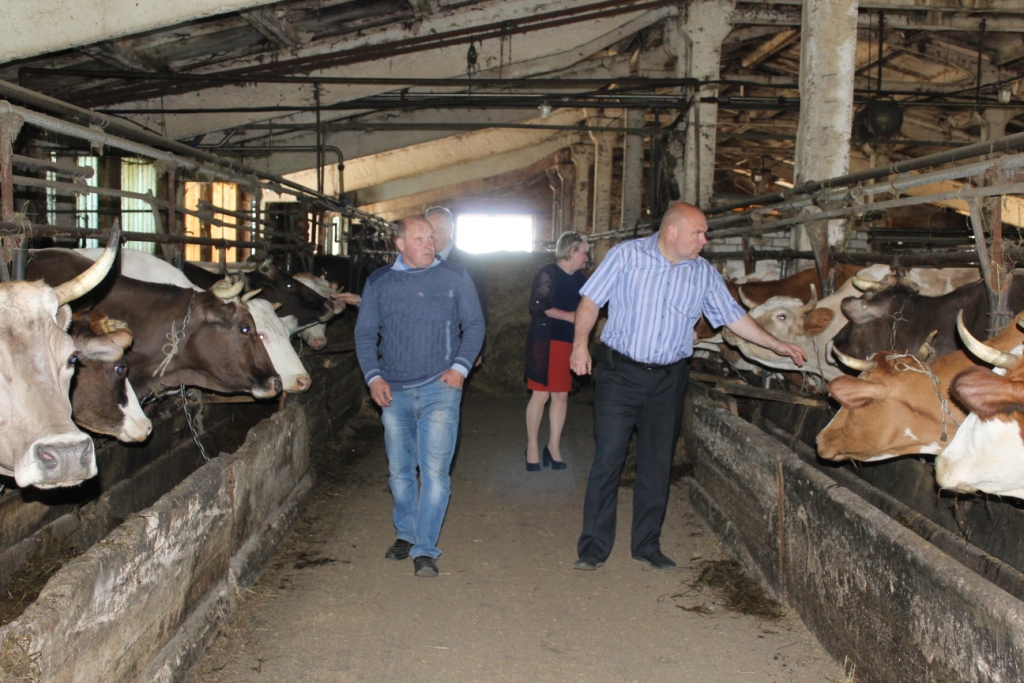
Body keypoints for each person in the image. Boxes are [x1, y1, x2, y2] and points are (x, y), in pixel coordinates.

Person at [568, 202, 806, 572]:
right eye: (698, 233)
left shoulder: (702, 274)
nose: (704, 240)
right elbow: (591, 301)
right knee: (608, 459)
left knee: (657, 462)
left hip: (668, 378)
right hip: (620, 374)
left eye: (704, 233)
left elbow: (733, 317)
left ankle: (647, 544)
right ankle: (594, 546)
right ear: (672, 231)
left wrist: (777, 345)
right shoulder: (626, 256)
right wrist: (580, 345)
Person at [354, 216, 485, 578]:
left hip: (439, 387)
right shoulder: (380, 282)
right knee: (399, 472)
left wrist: (459, 368)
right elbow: (365, 333)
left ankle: (425, 548)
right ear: (399, 245)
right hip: (393, 390)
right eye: (419, 238)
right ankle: (406, 534)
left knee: (435, 472)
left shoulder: (455, 277)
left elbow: (474, 325)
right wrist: (373, 375)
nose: (429, 244)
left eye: (431, 237)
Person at [524, 232, 589, 472]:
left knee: (561, 395)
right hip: (546, 340)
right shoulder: (548, 272)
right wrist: (573, 317)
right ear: (572, 251)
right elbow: (538, 305)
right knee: (540, 395)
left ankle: (553, 447)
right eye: (584, 251)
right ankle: (532, 447)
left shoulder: (580, 279)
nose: (586, 257)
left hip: (569, 342)